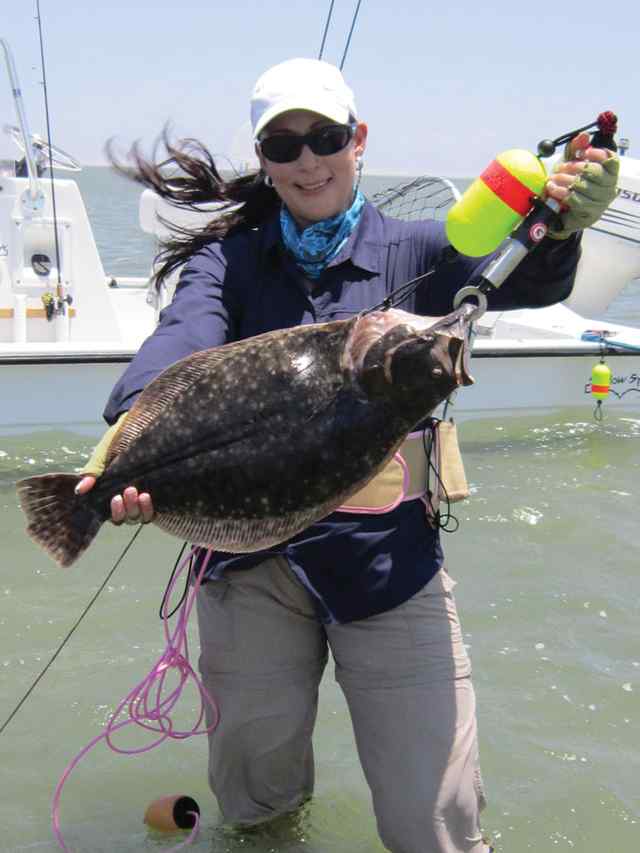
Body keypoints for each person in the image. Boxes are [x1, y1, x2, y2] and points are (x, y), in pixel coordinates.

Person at [77, 58, 618, 853]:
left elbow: (522, 278)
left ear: (358, 139)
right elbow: (180, 342)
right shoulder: (228, 261)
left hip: (389, 562)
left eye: (324, 138)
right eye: (283, 146)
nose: (307, 161)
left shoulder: (423, 249)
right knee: (257, 808)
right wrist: (129, 433)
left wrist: (564, 224)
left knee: (435, 818)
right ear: (263, 159)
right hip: (248, 570)